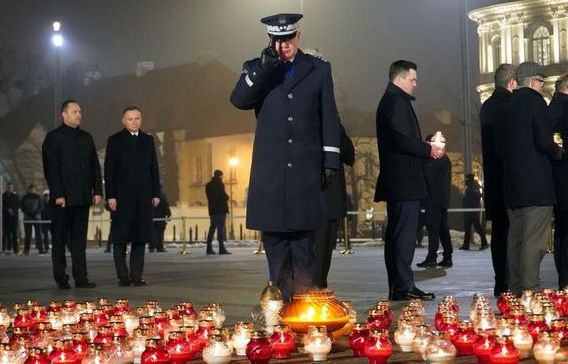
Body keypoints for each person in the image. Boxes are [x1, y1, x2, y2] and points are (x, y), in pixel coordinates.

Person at [230, 13, 340, 300]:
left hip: (304, 172)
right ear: (270, 40)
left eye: (288, 39)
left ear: (298, 37)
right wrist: (264, 69)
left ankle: (302, 309)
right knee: (276, 248)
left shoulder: (318, 69)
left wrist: (330, 159)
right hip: (271, 177)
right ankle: (278, 310)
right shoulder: (256, 68)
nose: (283, 45)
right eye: (277, 40)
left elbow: (329, 115)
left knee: (304, 248)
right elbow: (239, 100)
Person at [374, 60, 444, 301]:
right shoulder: (395, 102)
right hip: (403, 180)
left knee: (398, 234)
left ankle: (399, 285)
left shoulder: (392, 101)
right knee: (403, 235)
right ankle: (403, 285)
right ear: (399, 79)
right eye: (412, 79)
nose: (416, 84)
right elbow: (400, 139)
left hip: (399, 179)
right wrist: (428, 149)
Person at [498, 62, 563, 294]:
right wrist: (558, 151)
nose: (543, 86)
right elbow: (544, 139)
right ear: (534, 81)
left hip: (512, 187)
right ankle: (530, 291)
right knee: (534, 242)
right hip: (537, 186)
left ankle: (515, 290)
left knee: (516, 240)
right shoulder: (536, 102)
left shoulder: (506, 105)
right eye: (542, 82)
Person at [42, 99, 102, 289]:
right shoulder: (53, 137)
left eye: (80, 111)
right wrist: (58, 194)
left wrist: (97, 191)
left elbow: (94, 165)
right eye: (75, 111)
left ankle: (81, 278)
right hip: (63, 199)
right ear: (64, 114)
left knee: (79, 241)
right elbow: (51, 168)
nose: (79, 114)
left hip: (83, 196)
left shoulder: (86, 137)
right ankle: (61, 278)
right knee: (59, 240)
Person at [104, 106, 160, 287]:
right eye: (130, 119)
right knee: (120, 237)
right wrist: (111, 195)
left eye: (137, 118)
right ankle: (123, 275)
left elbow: (154, 169)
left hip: (143, 195)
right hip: (122, 196)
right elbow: (109, 171)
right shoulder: (115, 140)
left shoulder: (148, 140)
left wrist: (155, 193)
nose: (134, 122)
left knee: (140, 236)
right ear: (123, 120)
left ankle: (137, 275)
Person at [479, 63, 516, 296]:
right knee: (514, 233)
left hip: (493, 180)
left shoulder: (487, 106)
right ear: (512, 82)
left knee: (499, 234)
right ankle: (511, 281)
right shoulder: (511, 105)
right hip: (511, 179)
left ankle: (500, 281)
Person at [312, 122, 355, 289]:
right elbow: (349, 154)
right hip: (329, 195)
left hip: (303, 197)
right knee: (323, 253)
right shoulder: (331, 123)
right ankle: (316, 291)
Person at [416, 134, 453, 268]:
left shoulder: (434, 159)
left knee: (433, 229)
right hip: (442, 199)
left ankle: (432, 257)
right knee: (443, 229)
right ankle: (448, 256)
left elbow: (428, 178)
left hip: (433, 199)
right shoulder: (445, 158)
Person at [549, 73, 568, 289]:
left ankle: (563, 281)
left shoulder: (549, 109)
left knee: (561, 234)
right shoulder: (564, 109)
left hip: (555, 182)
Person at [459, 174, 489, 250]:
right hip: (470, 210)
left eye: (466, 179)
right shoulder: (471, 186)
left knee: (474, 228)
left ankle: (483, 243)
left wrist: (466, 201)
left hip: (471, 211)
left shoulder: (472, 187)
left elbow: (475, 197)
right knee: (469, 228)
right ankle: (467, 245)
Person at [205, 170, 231, 255]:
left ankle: (209, 248)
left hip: (212, 210)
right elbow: (223, 196)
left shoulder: (208, 185)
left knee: (212, 229)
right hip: (220, 210)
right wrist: (227, 197)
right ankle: (221, 248)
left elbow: (210, 197)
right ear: (220, 176)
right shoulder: (219, 184)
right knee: (221, 230)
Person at [20, 184, 44, 255]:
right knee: (28, 235)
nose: (31, 190)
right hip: (28, 217)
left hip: (36, 217)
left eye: (33, 189)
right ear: (28, 190)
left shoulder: (38, 197)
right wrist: (28, 213)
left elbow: (41, 206)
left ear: (35, 190)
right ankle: (26, 250)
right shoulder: (25, 197)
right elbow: (22, 206)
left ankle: (41, 250)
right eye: (30, 189)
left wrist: (36, 212)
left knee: (39, 234)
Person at [2, 183, 19, 254]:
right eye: (8, 187)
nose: (9, 189)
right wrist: (7, 209)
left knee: (14, 234)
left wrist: (13, 210)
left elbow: (18, 204)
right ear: (6, 188)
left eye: (11, 187)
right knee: (5, 234)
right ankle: (4, 248)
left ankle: (15, 249)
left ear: (13, 188)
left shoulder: (15, 196)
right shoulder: (3, 196)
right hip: (5, 217)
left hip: (14, 217)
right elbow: (2, 205)